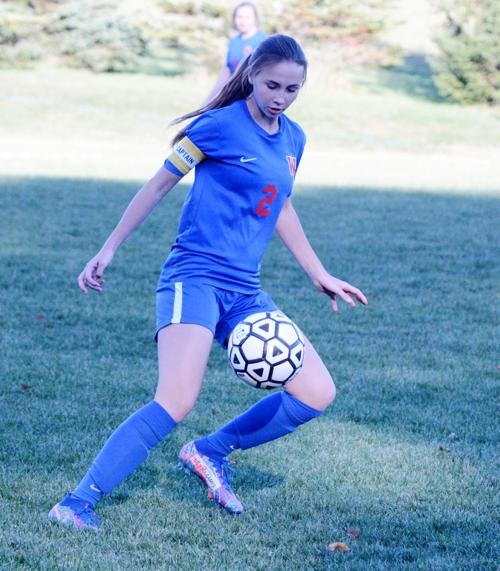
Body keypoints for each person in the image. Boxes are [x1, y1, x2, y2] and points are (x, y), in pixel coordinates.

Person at [48, 34, 368, 531]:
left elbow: (278, 204)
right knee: (176, 399)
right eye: (272, 85)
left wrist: (319, 273)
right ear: (251, 76)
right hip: (193, 278)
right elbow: (159, 184)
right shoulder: (217, 126)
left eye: (293, 89)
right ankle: (76, 503)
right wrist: (108, 248)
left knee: (317, 391)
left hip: (245, 289)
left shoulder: (294, 139)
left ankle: (209, 452)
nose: (281, 97)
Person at [204, 2, 267, 104]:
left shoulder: (264, 42)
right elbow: (228, 71)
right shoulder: (234, 42)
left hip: (254, 99)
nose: (243, 21)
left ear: (255, 19)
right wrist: (211, 98)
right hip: (234, 96)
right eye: (240, 17)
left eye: (248, 17)